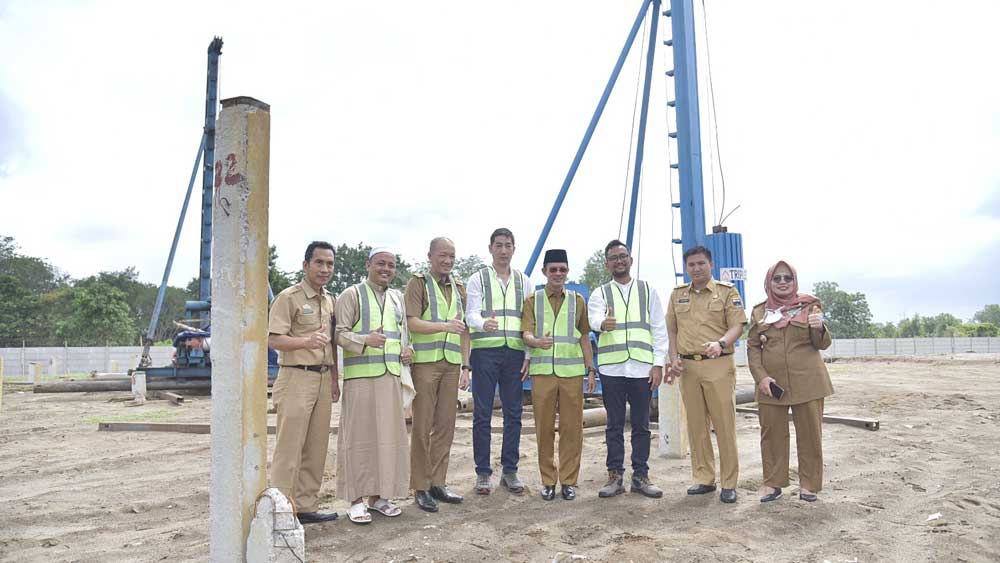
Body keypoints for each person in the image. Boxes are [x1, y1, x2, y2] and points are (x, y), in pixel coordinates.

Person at [334, 247, 414, 524]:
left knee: (389, 440)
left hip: (390, 376)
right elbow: (340, 334)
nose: (386, 269)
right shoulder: (351, 294)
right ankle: (356, 500)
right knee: (358, 440)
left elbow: (403, 335)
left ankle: (379, 497)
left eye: (391, 265)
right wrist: (365, 340)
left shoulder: (397, 298)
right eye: (381, 263)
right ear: (368, 265)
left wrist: (408, 351)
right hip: (361, 379)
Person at [665, 245, 747, 504]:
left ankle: (729, 483)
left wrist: (721, 343)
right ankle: (704, 478)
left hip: (718, 364)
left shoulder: (726, 292)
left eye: (701, 263)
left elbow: (738, 325)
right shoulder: (678, 295)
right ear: (686, 268)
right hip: (688, 368)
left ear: (710, 265)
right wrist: (673, 358)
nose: (696, 268)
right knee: (696, 425)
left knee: (724, 424)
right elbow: (673, 331)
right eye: (691, 265)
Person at [747, 260, 833, 503]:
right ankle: (773, 483)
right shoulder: (759, 311)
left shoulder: (810, 305)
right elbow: (753, 346)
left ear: (795, 281)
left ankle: (809, 485)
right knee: (772, 435)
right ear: (769, 282)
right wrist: (761, 377)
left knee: (810, 435)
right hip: (771, 385)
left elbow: (821, 344)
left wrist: (819, 328)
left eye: (787, 278)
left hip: (808, 381)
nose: (782, 282)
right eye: (777, 278)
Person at [267, 241, 340, 524]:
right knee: (290, 447)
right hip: (296, 376)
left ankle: (307, 506)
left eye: (330, 264)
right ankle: (281, 510)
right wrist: (306, 341)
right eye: (319, 263)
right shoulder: (289, 297)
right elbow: (274, 339)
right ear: (306, 264)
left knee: (316, 445)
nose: (325, 269)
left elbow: (331, 344)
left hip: (323, 378)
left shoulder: (330, 300)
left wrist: (334, 379)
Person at [588, 240, 667, 499]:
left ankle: (641, 475)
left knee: (642, 425)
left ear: (630, 260)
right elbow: (594, 319)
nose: (619, 261)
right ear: (607, 263)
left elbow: (659, 329)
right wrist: (603, 323)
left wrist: (658, 364)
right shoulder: (601, 293)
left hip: (642, 368)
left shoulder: (647, 291)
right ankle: (615, 476)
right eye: (613, 257)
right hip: (613, 368)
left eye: (623, 256)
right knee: (614, 424)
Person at [522, 249, 596, 501]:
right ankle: (547, 480)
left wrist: (591, 369)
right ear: (544, 272)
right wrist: (535, 342)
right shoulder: (533, 300)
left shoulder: (578, 301)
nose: (558, 274)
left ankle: (568, 480)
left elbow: (585, 337)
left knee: (571, 428)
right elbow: (526, 333)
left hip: (572, 374)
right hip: (542, 373)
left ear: (567, 272)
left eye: (562, 270)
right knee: (543, 429)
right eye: (553, 269)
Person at [463, 228, 532, 495]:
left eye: (508, 246)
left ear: (514, 249)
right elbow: (470, 315)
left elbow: (528, 320)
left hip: (514, 353)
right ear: (490, 248)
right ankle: (483, 473)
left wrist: (528, 354)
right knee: (482, 413)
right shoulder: (478, 279)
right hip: (485, 353)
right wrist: (484, 323)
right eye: (499, 245)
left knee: (514, 413)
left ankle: (510, 470)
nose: (504, 250)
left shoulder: (524, 281)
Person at [404, 237, 469, 512]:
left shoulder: (460, 288)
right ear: (430, 256)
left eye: (452, 256)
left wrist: (466, 366)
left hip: (452, 364)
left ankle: (437, 482)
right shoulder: (417, 283)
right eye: (443, 255)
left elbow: (464, 330)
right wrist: (443, 326)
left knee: (445, 425)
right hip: (426, 364)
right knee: (422, 425)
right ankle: (420, 486)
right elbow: (412, 322)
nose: (448, 261)